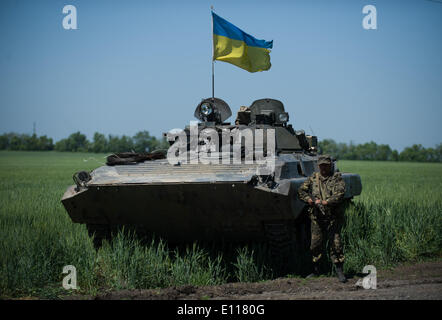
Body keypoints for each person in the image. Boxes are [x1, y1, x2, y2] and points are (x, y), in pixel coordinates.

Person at [298, 154, 347, 283]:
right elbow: (301, 190)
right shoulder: (313, 178)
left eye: (326, 165)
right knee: (315, 245)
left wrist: (326, 202)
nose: (324, 167)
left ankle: (339, 270)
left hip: (333, 217)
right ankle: (316, 270)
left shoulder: (336, 178)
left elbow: (340, 194)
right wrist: (309, 200)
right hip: (317, 218)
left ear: (330, 165)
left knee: (336, 245)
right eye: (322, 165)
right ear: (318, 166)